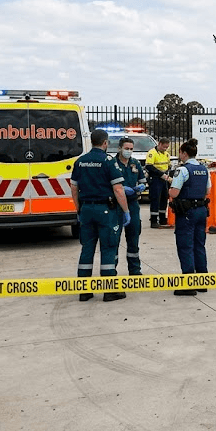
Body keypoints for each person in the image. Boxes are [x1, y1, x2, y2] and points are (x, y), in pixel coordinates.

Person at [70, 129, 131, 302]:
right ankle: (109, 290)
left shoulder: (80, 161)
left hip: (87, 210)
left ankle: (84, 290)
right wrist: (126, 211)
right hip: (106, 211)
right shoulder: (108, 161)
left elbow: (74, 187)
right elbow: (118, 189)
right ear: (105, 143)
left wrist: (79, 209)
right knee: (109, 248)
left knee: (87, 248)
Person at [168, 138, 211, 296]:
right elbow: (208, 191)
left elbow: (174, 192)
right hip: (201, 211)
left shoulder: (183, 170)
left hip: (187, 213)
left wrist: (169, 187)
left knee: (185, 246)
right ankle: (202, 281)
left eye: (180, 153)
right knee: (199, 245)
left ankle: (188, 284)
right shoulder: (204, 169)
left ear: (184, 153)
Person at [115, 137, 147, 276]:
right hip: (115, 206)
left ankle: (135, 271)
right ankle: (111, 271)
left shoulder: (135, 163)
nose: (129, 151)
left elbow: (143, 181)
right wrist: (122, 189)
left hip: (133, 204)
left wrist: (141, 187)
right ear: (119, 148)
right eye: (126, 148)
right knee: (114, 240)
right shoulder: (112, 163)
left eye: (131, 149)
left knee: (133, 239)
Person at [146, 137, 172, 228]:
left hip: (164, 178)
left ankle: (162, 219)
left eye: (167, 147)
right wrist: (161, 174)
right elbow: (149, 167)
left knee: (164, 198)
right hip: (155, 178)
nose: (165, 149)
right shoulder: (152, 153)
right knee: (155, 199)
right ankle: (153, 220)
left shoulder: (166, 154)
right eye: (164, 147)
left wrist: (167, 174)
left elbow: (169, 166)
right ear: (159, 144)